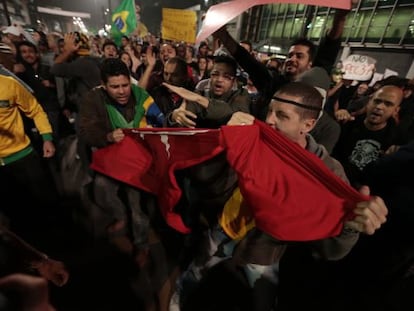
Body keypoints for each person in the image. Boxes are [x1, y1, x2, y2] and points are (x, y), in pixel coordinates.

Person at [181, 82, 388, 311]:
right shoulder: (253, 140)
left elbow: (333, 251)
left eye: (281, 115)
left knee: (262, 301)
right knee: (194, 276)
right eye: (269, 110)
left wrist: (351, 223)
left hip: (265, 252)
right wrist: (226, 138)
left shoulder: (327, 172)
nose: (269, 120)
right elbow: (205, 181)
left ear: (307, 125)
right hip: (223, 229)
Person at [0, 73, 60, 248]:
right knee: (15, 216)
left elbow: (35, 109)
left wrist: (47, 138)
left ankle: (58, 249)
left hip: (23, 156)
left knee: (46, 206)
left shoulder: (10, 84)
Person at [332, 85, 405, 186]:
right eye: (377, 101)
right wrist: (335, 121)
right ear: (369, 101)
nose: (379, 107)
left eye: (388, 104)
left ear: (396, 110)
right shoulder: (348, 124)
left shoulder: (397, 140)